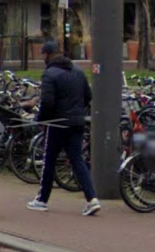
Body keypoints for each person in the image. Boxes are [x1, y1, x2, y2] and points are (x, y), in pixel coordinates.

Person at [28, 40, 101, 216]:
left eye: (43, 55)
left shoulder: (49, 74)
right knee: (77, 160)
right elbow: (88, 96)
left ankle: (42, 200)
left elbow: (47, 102)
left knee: (49, 160)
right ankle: (92, 199)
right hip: (77, 122)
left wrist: (41, 119)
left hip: (57, 123)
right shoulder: (78, 71)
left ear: (47, 55)